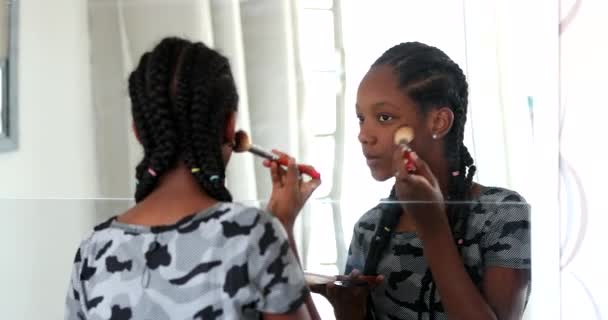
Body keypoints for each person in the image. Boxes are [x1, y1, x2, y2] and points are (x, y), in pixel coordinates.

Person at [64, 37, 321, 320]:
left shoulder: (94, 249)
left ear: (138, 130)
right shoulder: (252, 235)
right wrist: (282, 226)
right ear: (230, 127)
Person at [321, 42, 531, 320]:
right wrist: (348, 310)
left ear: (439, 122)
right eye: (361, 118)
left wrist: (432, 228)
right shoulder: (368, 229)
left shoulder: (502, 214)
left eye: (384, 118)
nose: (364, 135)